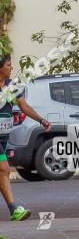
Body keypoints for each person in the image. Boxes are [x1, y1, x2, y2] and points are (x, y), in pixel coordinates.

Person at [0, 53, 51, 220]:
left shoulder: (10, 85)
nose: (11, 67)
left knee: (2, 171)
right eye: (8, 65)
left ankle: (13, 209)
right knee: (4, 169)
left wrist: (41, 120)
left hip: (3, 137)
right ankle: (14, 209)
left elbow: (24, 106)